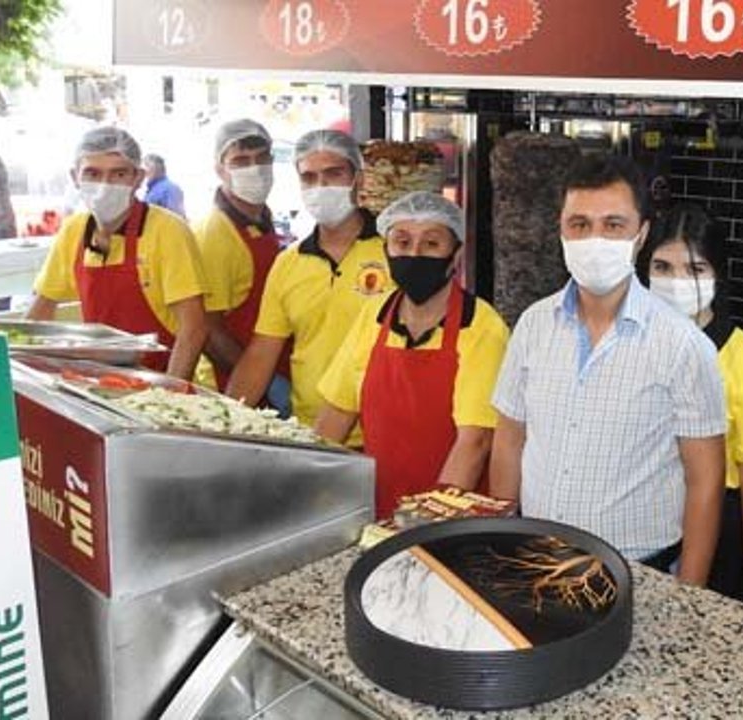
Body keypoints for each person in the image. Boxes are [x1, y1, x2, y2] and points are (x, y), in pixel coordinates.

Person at [489, 154, 727, 586]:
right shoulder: (533, 325)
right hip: (534, 556)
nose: (594, 239)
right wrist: (499, 549)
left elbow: (705, 480)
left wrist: (688, 594)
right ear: (561, 230)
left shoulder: (683, 344)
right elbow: (509, 440)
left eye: (613, 225)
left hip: (639, 571)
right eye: (579, 224)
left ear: (641, 235)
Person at [315, 192, 508, 518]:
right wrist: (308, 484)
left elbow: (475, 442)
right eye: (402, 242)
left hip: (453, 516)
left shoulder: (481, 326)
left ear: (456, 255)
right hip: (380, 507)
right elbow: (336, 413)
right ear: (386, 250)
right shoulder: (374, 316)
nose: (415, 254)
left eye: (431, 244)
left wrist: (426, 520)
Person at [637, 204, 743, 608]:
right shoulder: (629, 345)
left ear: (718, 275)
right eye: (662, 267)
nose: (676, 282)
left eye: (695, 269)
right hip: (641, 523)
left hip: (719, 530)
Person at [227, 129, 392, 441]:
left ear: (358, 179)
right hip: (310, 432)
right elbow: (262, 353)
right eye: (309, 178)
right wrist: (227, 422)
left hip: (383, 434)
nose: (321, 186)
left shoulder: (395, 252)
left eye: (334, 174)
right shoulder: (289, 264)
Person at [27, 127, 208, 380]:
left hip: (160, 376)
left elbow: (194, 329)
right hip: (100, 380)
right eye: (92, 174)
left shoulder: (168, 231)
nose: (105, 185)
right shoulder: (74, 230)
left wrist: (169, 391)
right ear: (75, 177)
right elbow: (40, 312)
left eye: (119, 174)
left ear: (138, 178)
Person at [194, 119, 289, 408]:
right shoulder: (215, 233)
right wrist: (259, 388)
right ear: (220, 169)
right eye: (241, 161)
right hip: (230, 383)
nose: (254, 169)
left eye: (261, 158)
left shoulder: (260, 219)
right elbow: (208, 329)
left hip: (269, 364)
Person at [142, 153, 186, 218]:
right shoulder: (150, 191)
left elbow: (176, 217)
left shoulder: (170, 188)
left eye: (147, 165)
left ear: (159, 168)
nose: (145, 170)